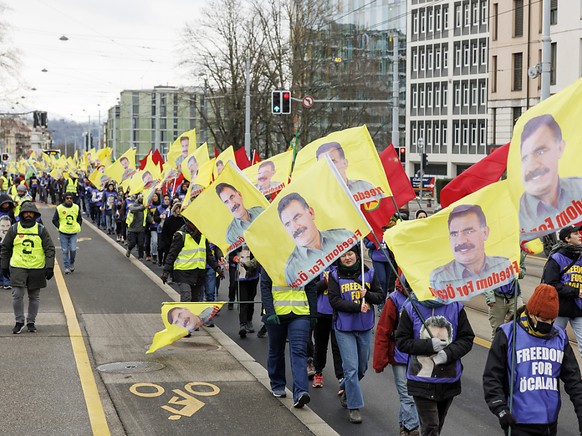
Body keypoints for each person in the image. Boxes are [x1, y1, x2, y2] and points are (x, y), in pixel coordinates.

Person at [483, 284, 582, 435]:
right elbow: (492, 376)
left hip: (549, 423)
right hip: (518, 422)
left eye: (551, 320)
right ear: (531, 313)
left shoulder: (560, 337)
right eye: (543, 319)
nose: (547, 324)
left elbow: (573, 379)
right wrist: (500, 408)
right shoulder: (508, 334)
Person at [395, 292, 474, 436]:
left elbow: (467, 338)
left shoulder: (456, 307)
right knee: (431, 427)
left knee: (437, 426)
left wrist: (448, 354)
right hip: (420, 381)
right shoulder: (411, 307)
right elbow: (401, 341)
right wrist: (428, 345)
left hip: (448, 379)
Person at [327, 245, 384, 424]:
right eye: (344, 255)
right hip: (344, 328)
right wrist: (356, 307)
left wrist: (369, 295)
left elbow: (381, 296)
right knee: (351, 368)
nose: (347, 258)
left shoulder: (369, 273)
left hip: (365, 327)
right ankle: (354, 406)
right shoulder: (334, 276)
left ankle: (347, 388)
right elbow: (334, 301)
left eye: (350, 253)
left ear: (357, 256)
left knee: (361, 368)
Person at [261, 267, 316, 408]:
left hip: (300, 314)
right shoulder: (269, 260)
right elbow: (265, 287)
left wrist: (313, 313)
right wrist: (270, 312)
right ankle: (277, 383)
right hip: (276, 314)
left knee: (299, 351)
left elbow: (310, 286)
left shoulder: (303, 260)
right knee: (276, 350)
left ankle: (301, 392)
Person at [518, 114, 582, 236]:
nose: (532, 166)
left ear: (560, 148)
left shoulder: (578, 187)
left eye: (541, 151)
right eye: (525, 158)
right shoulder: (519, 212)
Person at [373, 275, 420, 436]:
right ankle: (412, 428)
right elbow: (383, 331)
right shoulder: (393, 300)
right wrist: (380, 360)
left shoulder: (425, 297)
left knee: (411, 394)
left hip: (418, 355)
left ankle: (404, 425)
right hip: (399, 355)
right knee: (407, 395)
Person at [429, 204, 511, 293]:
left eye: (468, 231)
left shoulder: (503, 265)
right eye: (454, 234)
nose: (461, 241)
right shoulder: (439, 278)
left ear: (485, 233)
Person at [1, 201, 55, 334]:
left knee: (34, 296)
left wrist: (49, 266)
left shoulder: (40, 229)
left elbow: (49, 248)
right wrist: (4, 266)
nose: (29, 215)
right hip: (18, 266)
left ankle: (31, 322)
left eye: (31, 212)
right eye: (26, 212)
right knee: (17, 294)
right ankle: (19, 321)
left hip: (36, 267)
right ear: (22, 214)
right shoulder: (14, 228)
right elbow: (6, 248)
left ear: (35, 214)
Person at [278, 192, 354, 285]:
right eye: (288, 224)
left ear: (311, 213)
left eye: (297, 217)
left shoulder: (344, 237)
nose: (295, 228)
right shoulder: (292, 270)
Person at [541, 224, 582, 357]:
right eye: (576, 233)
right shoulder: (557, 258)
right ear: (567, 238)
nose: (580, 235)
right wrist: (575, 292)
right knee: (553, 344)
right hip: (560, 308)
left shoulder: (581, 256)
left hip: (579, 309)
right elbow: (550, 284)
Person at [161, 218, 223, 304]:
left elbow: (208, 256)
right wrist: (166, 271)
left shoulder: (203, 237)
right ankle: (184, 317)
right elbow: (172, 255)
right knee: (186, 297)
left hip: (198, 274)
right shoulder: (181, 235)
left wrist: (217, 269)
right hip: (183, 273)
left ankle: (191, 317)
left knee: (195, 302)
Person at [311, 270, 344, 393]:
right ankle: (318, 372)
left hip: (339, 313)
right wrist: (325, 283)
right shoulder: (318, 265)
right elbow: (311, 289)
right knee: (320, 346)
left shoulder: (342, 266)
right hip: (321, 312)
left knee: (339, 348)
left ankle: (341, 379)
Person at [483, 251, 526, 341]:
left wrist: (520, 271)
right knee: (497, 331)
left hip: (514, 295)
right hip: (497, 297)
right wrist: (490, 297)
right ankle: (496, 352)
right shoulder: (493, 252)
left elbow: (522, 272)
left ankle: (512, 351)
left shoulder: (518, 251)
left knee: (519, 324)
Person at [231, 245, 260, 337]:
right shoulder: (234, 242)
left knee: (250, 299)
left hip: (252, 276)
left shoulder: (254, 240)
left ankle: (249, 321)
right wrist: (233, 258)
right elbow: (229, 254)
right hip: (240, 276)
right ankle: (242, 325)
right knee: (243, 300)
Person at [51, 192, 82, 274]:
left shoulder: (76, 207)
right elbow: (54, 220)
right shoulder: (60, 208)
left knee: (73, 249)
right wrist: (60, 227)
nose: (69, 200)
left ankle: (71, 262)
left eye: (70, 198)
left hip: (73, 232)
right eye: (67, 198)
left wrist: (78, 226)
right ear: (64, 199)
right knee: (64, 251)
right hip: (63, 233)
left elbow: (79, 218)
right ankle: (66, 267)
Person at [125, 195, 151, 260]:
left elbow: (148, 216)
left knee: (141, 243)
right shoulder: (133, 205)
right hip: (132, 228)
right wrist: (141, 208)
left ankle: (140, 256)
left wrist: (152, 220)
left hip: (141, 229)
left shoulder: (145, 208)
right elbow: (132, 209)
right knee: (132, 242)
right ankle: (129, 249)